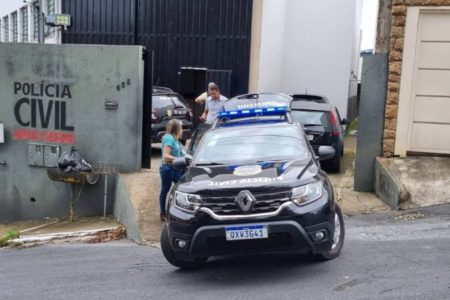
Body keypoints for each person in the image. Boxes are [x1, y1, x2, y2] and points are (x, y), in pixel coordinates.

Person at [159, 119, 184, 222]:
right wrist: (179, 159)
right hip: (168, 168)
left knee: (181, 188)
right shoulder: (169, 138)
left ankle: (177, 211)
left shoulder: (175, 138)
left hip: (176, 168)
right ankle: (162, 213)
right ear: (176, 128)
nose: (181, 128)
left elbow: (179, 152)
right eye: (180, 126)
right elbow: (166, 156)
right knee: (165, 191)